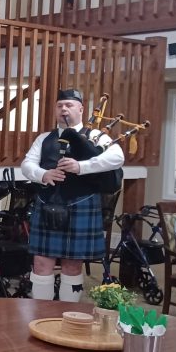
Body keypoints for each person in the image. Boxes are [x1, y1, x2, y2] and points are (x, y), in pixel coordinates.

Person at [21, 88, 124, 302]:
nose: (64, 109)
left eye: (69, 105)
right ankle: (42, 313)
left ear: (81, 109)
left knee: (72, 265)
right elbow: (27, 164)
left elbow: (117, 158)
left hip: (81, 205)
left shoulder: (96, 136)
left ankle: (68, 314)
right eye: (60, 106)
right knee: (41, 263)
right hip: (47, 204)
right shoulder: (44, 138)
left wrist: (81, 167)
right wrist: (43, 174)